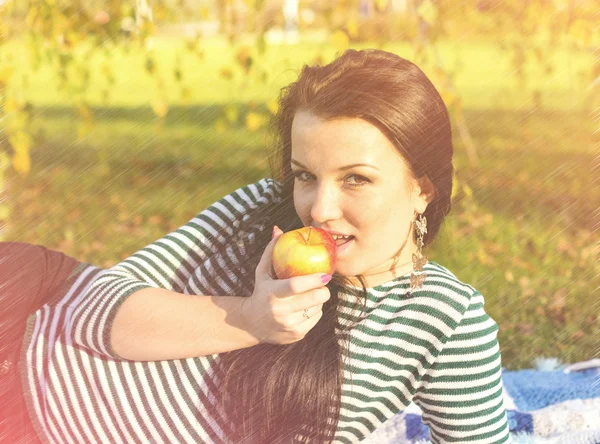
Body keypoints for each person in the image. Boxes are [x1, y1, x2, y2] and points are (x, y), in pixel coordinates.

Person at [3, 48, 511, 443]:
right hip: (20, 329)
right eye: (305, 175)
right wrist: (248, 318)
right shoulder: (262, 212)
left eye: (355, 179)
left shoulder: (445, 320)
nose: (318, 209)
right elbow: (85, 309)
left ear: (422, 189)